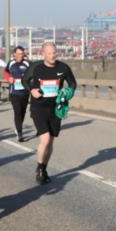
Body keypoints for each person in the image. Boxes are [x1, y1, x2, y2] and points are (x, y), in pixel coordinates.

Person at [23, 42, 77, 184]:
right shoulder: (36, 67)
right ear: (43, 54)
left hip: (56, 108)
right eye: (49, 53)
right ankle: (40, 169)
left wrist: (68, 93)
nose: (52, 56)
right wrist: (32, 90)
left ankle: (43, 168)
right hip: (39, 107)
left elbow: (73, 84)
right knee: (45, 139)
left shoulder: (63, 68)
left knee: (51, 141)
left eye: (54, 53)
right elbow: (24, 80)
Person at [6, 46, 31, 141]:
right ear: (14, 54)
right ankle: (20, 134)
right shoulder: (11, 63)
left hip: (25, 92)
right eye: (18, 54)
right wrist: (9, 78)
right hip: (14, 92)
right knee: (17, 111)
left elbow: (34, 72)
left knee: (23, 112)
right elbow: (6, 72)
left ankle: (18, 127)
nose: (20, 56)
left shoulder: (27, 63)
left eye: (22, 54)